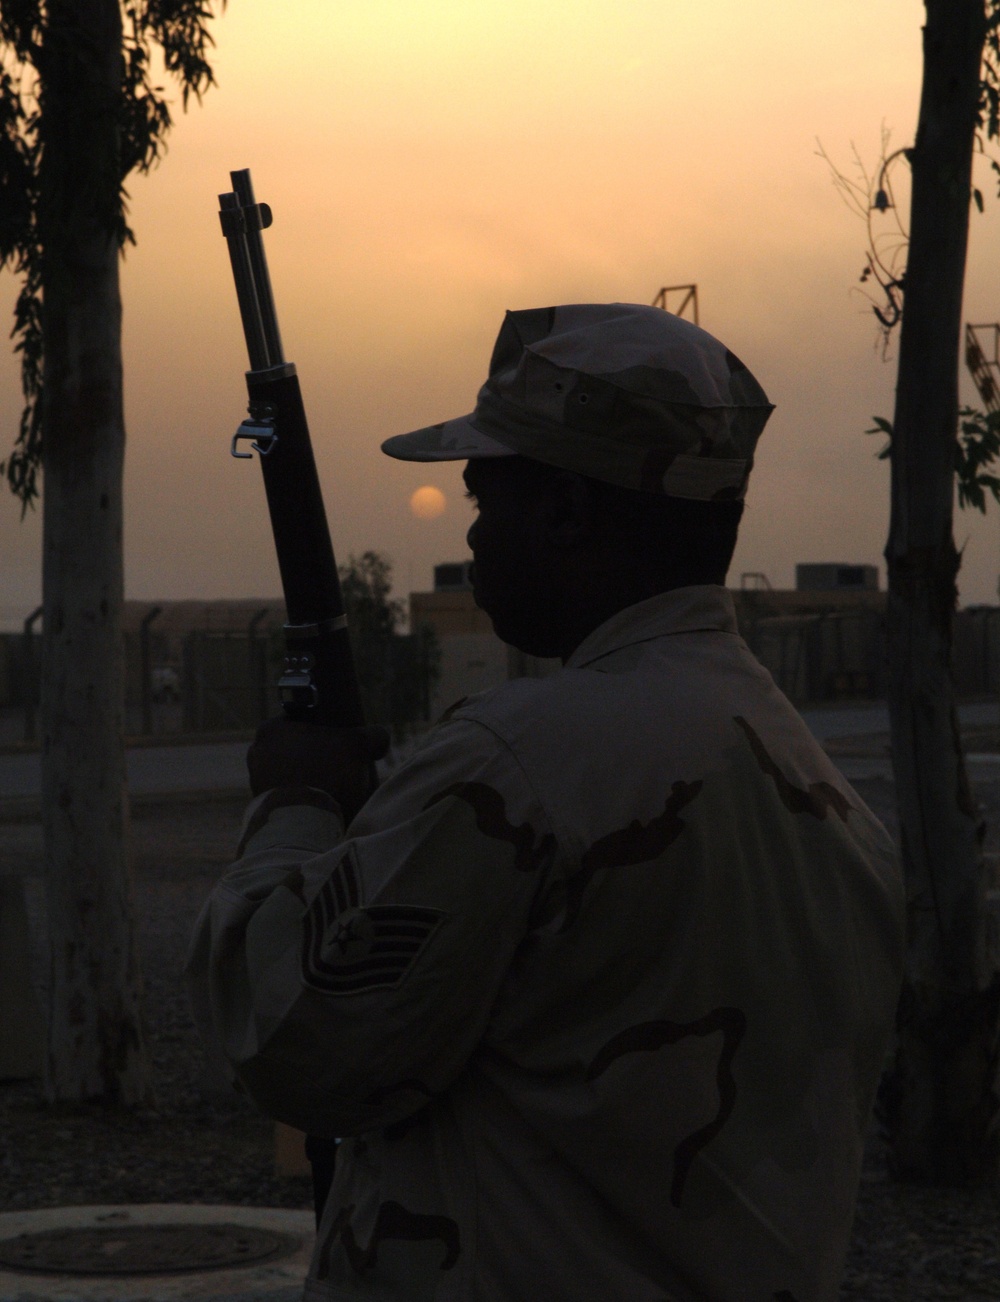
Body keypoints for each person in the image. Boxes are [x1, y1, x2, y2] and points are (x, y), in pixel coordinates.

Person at [187, 303, 905, 1301]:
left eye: (485, 498)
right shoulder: (826, 796)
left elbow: (294, 1040)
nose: (474, 535)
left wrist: (297, 805)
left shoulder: (513, 764)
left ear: (565, 512)